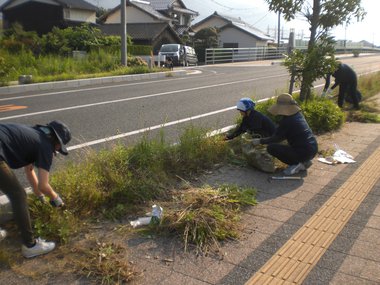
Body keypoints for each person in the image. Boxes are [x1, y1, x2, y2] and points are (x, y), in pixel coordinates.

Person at [0, 120, 71, 258]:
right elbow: (44, 185)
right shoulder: (45, 146)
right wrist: (57, 200)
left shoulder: (34, 134)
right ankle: (30, 246)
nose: (56, 150)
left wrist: (41, 198)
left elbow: (29, 170)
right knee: (18, 194)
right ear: (56, 142)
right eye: (58, 148)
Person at [251, 93, 318, 175]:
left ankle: (296, 164)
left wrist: (260, 141)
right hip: (313, 149)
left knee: (271, 148)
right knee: (291, 147)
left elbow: (276, 138)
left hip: (303, 152)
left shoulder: (287, 121)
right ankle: (304, 161)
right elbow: (282, 133)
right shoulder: (297, 115)